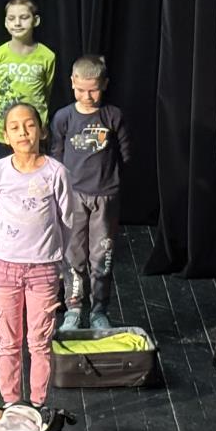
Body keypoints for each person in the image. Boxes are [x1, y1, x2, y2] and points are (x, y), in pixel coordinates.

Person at [0, 102, 74, 406]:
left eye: (29, 125)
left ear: (42, 130)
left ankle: (37, 405)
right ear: (5, 136)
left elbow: (67, 219)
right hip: (6, 267)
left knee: (39, 342)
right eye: (14, 127)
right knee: (7, 342)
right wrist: (7, 246)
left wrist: (51, 252)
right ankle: (11, 404)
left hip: (43, 269)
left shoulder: (56, 172)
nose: (23, 132)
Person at [50, 55, 132, 331]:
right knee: (73, 256)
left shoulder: (113, 116)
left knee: (102, 256)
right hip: (74, 197)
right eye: (81, 89)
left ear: (104, 84)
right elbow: (57, 155)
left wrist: (113, 182)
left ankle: (99, 310)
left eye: (93, 90)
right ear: (72, 83)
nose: (87, 96)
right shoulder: (63, 117)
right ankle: (73, 308)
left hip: (105, 197)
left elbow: (125, 152)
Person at [0, 0, 56, 161]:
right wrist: (0, 122)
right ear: (5, 22)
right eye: (12, 18)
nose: (17, 23)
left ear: (36, 20)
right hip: (1, 133)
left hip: (33, 132)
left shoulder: (47, 56)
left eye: (24, 17)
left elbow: (46, 91)